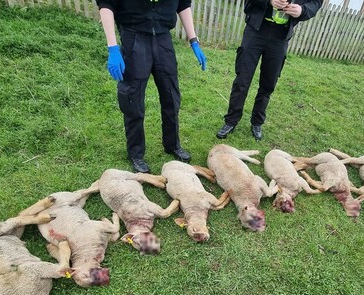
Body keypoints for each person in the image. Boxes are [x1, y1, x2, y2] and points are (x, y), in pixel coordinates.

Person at [97, 0, 207, 173]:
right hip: (134, 38)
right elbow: (106, 5)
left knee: (171, 95)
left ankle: (172, 145)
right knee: (132, 98)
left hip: (163, 39)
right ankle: (136, 153)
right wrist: (113, 47)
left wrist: (194, 40)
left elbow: (183, 5)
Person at [216, 0, 322, 141]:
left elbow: (315, 3)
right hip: (256, 30)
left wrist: (303, 10)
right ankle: (231, 121)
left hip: (281, 36)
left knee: (268, 83)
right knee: (242, 79)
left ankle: (257, 122)